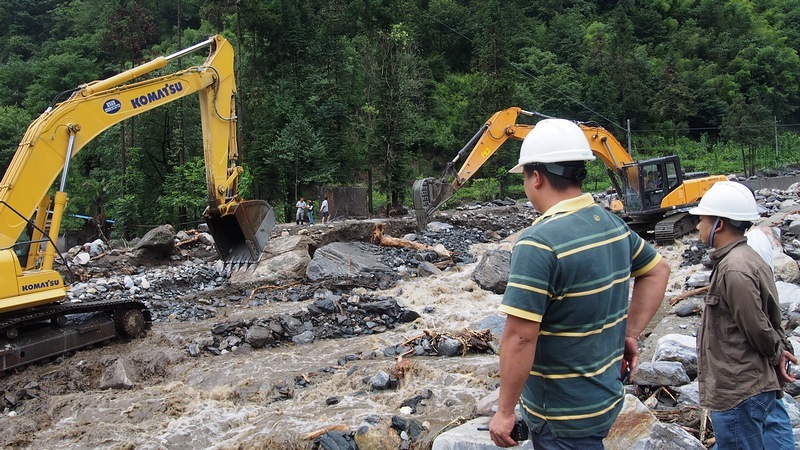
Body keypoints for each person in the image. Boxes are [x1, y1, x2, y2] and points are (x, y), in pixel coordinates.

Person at [488, 118, 671, 449]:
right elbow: (658, 270)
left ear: (536, 177)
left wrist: (504, 411)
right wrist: (630, 333)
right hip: (602, 401)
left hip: (560, 416)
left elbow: (519, 338)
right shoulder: (610, 223)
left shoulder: (538, 243)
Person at [688, 181, 796, 450]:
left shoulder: (734, 269)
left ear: (719, 224)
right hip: (748, 385)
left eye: (702, 219)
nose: (698, 227)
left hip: (738, 389)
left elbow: (757, 325)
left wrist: (776, 352)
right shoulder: (744, 258)